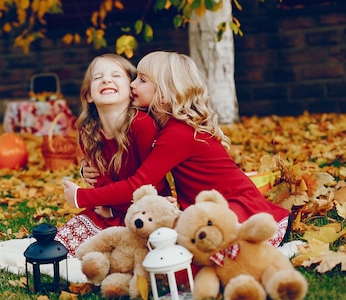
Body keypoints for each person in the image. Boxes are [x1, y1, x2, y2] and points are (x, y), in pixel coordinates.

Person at [63, 51, 291, 267]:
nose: (132, 84)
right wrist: (87, 170)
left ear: (163, 92)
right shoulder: (162, 124)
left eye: (141, 80)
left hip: (232, 206)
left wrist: (81, 196)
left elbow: (140, 183)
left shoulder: (176, 133)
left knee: (194, 249)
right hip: (200, 205)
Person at [55, 53, 171, 257]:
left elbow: (151, 185)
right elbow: (99, 179)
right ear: (89, 95)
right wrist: (106, 208)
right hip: (111, 210)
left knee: (141, 249)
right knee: (65, 242)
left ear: (131, 90)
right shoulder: (88, 130)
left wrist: (82, 198)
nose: (106, 79)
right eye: (98, 77)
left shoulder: (141, 125)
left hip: (148, 212)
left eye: (116, 75)